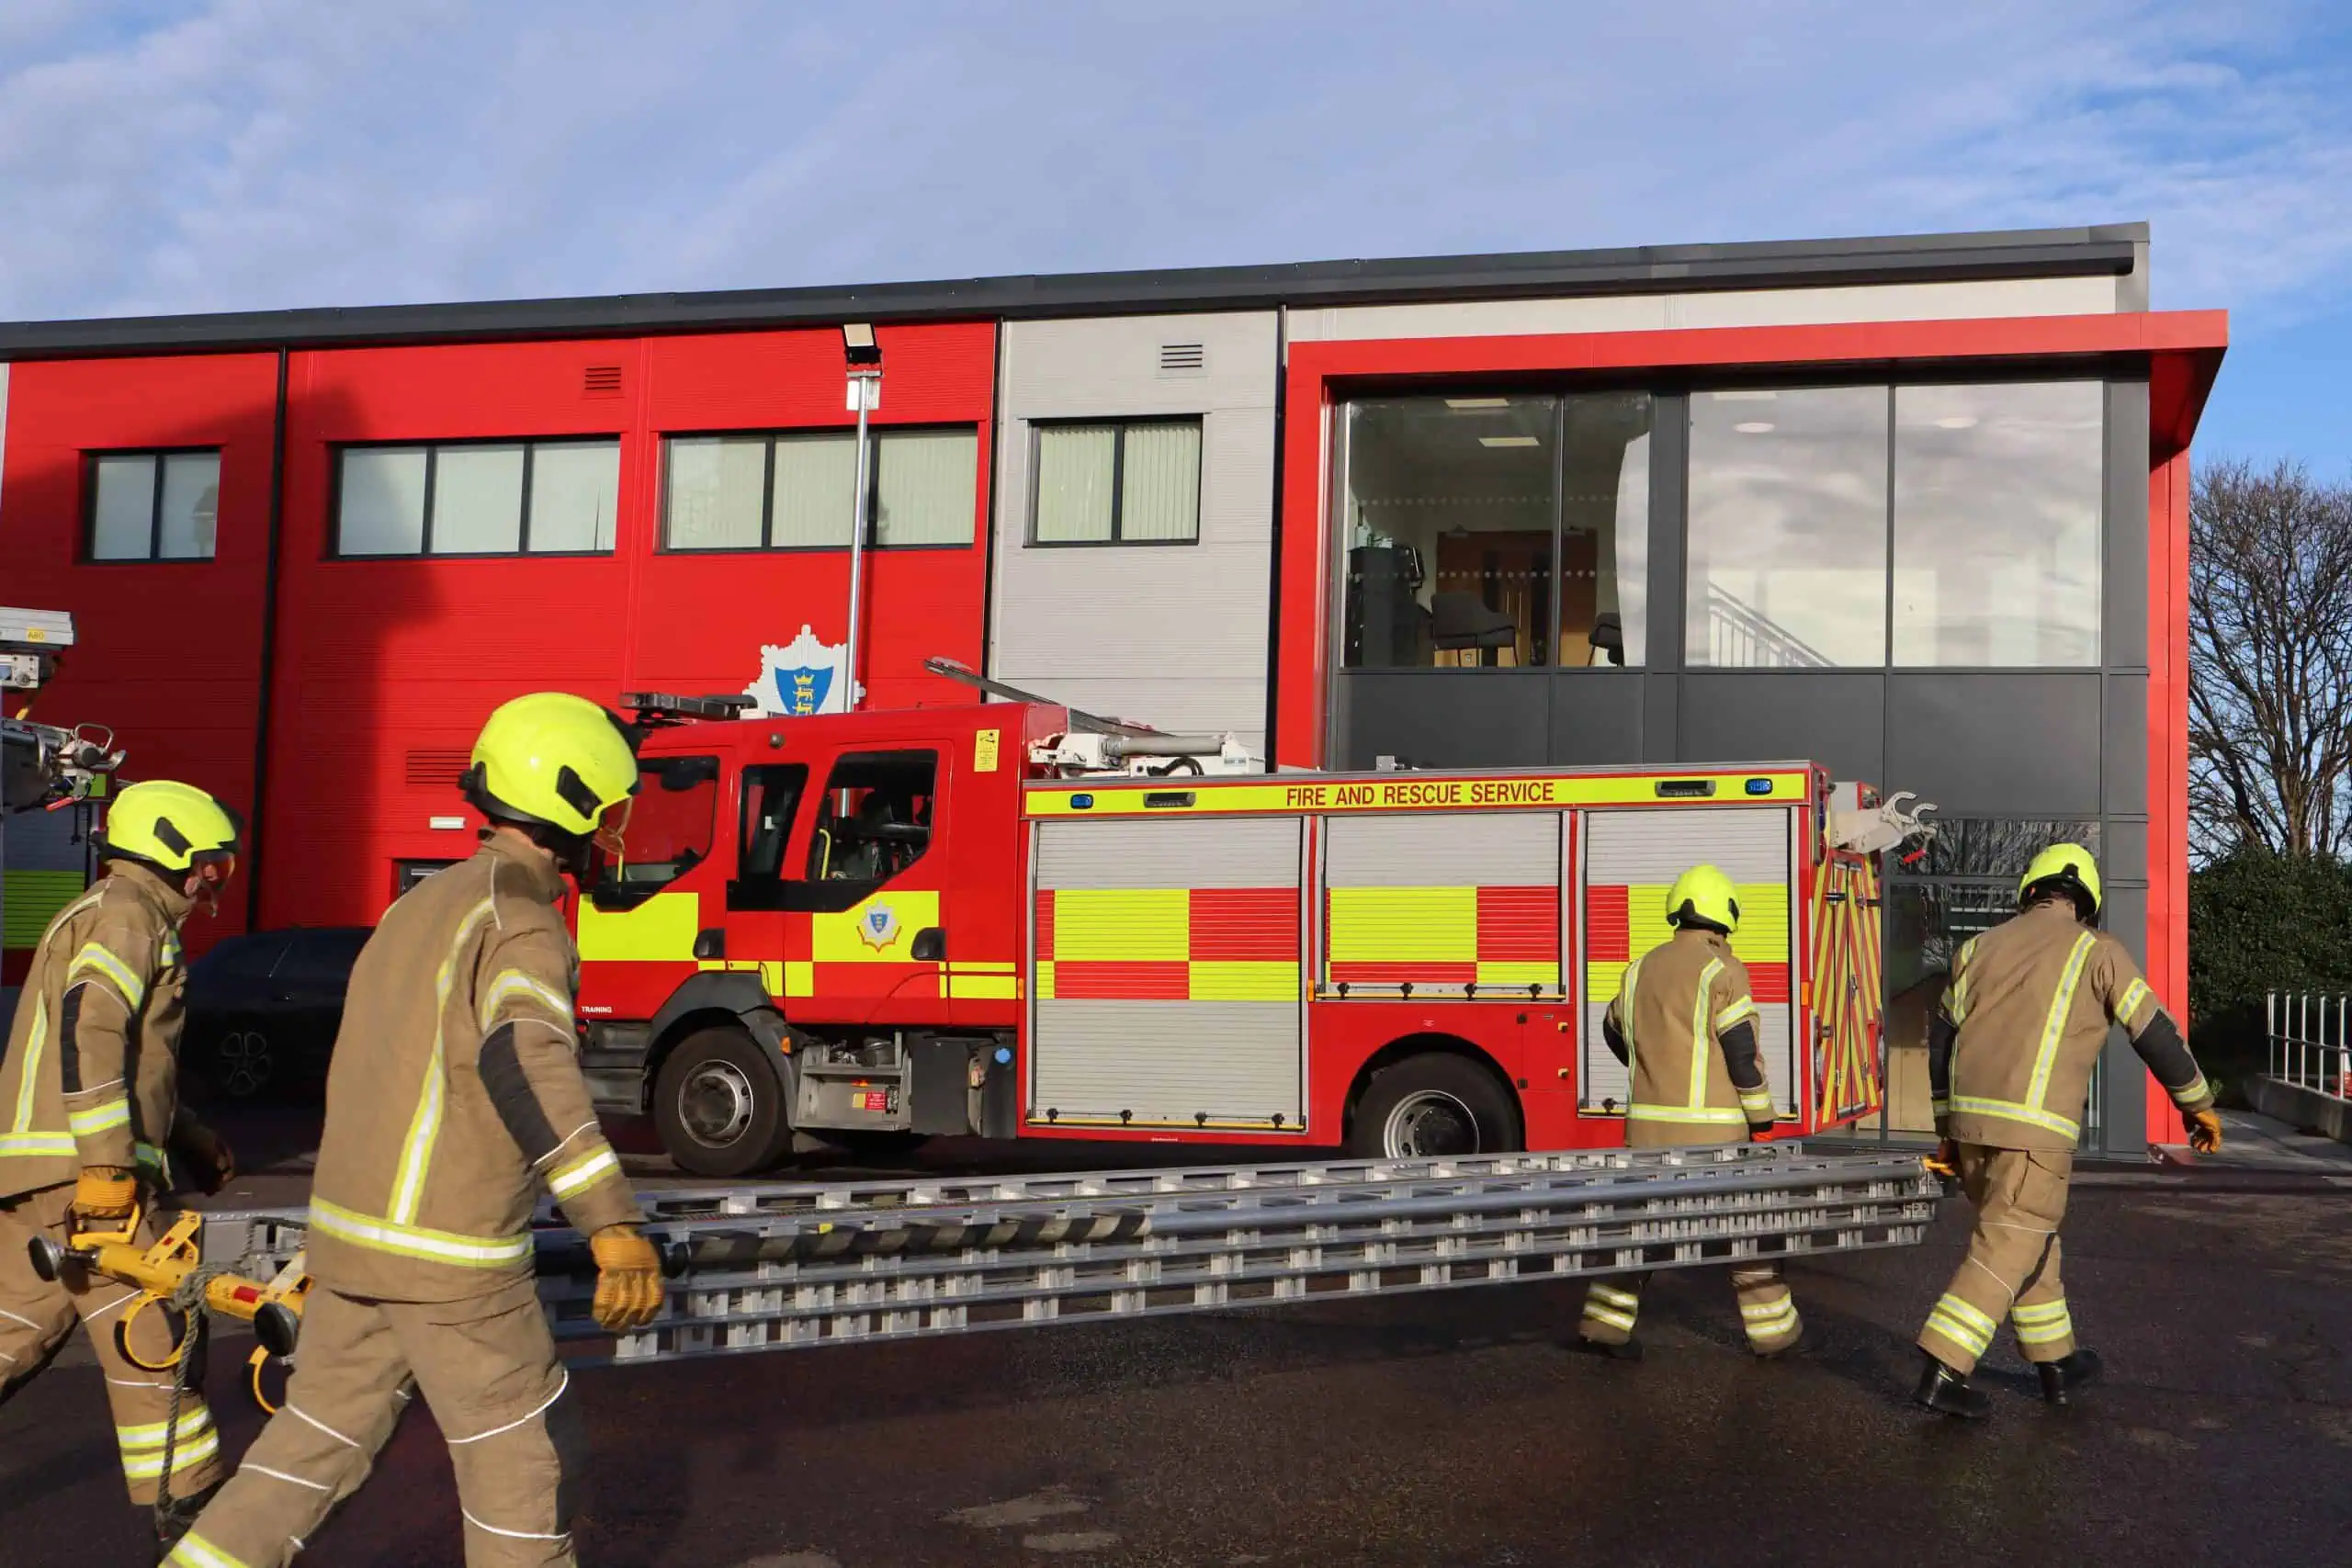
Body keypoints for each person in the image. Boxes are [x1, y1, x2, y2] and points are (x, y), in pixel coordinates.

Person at [164, 694, 667, 1567]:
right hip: (453, 1260)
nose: (620, 829)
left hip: (353, 1242)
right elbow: (525, 1061)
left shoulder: (417, 906)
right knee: (529, 1468)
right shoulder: (521, 916)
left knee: (302, 1455)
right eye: (615, 808)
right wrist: (611, 1222)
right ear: (573, 802)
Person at [0, 781, 242, 1542]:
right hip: (89, 1183)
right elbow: (93, 1028)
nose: (214, 880)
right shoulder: (131, 914)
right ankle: (196, 1529)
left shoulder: (108, 910)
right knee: (154, 1344)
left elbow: (129, 1064)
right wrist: (110, 1168)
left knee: (8, 1335)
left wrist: (188, 1134)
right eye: (211, 864)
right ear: (170, 851)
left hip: (38, 1180)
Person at [1912, 843, 2222, 1420]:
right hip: (2035, 1135)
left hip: (1972, 1128)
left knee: (2032, 1241)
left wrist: (1946, 1130)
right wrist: (2196, 1101)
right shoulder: (2097, 951)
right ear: (2088, 902)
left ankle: (2057, 1363)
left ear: (2031, 890)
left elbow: (1942, 1046)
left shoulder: (1977, 948)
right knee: (2008, 1244)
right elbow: (2152, 1030)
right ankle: (1942, 1368)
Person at [1574, 863, 1797, 1361]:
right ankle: (1773, 1334)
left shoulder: (1639, 968)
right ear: (1726, 916)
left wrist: (1650, 1067)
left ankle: (1603, 1326)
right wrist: (1762, 1120)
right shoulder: (1722, 970)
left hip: (1646, 1132)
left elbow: (1614, 1030)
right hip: (1713, 1136)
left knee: (1636, 1229)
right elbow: (1742, 1054)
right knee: (1746, 1231)